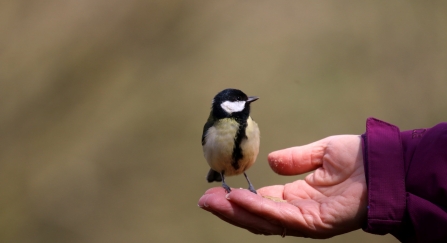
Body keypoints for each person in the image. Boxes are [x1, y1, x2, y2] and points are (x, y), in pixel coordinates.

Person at [198, 118, 447, 242]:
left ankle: (248, 185)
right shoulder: (214, 125)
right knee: (222, 176)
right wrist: (387, 167)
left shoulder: (251, 124)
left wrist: (384, 171)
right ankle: (222, 180)